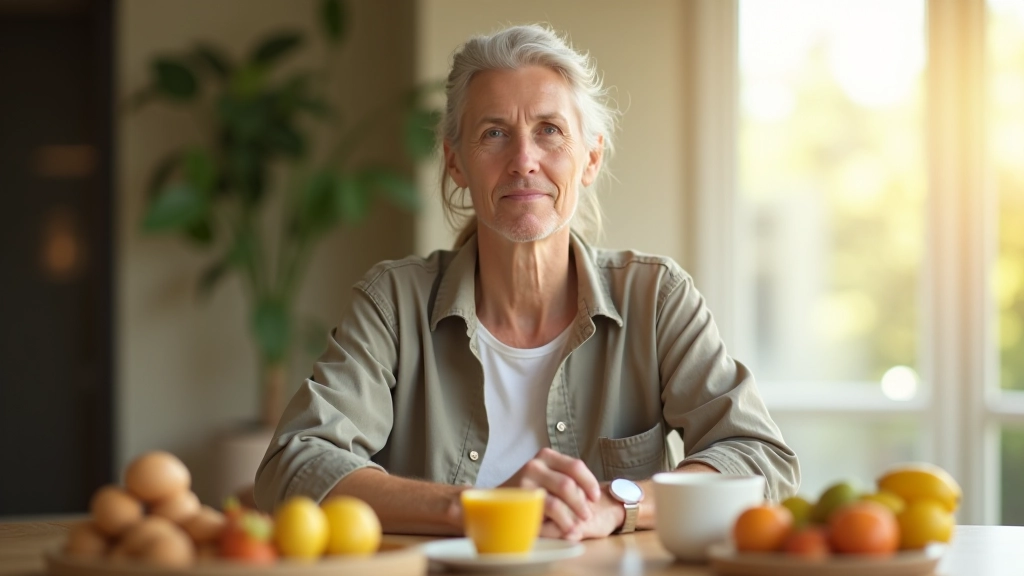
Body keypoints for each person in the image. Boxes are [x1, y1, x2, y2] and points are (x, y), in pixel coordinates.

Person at [254, 23, 799, 540]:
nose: (523, 161)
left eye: (549, 131)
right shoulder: (394, 303)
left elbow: (758, 457)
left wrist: (620, 504)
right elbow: (294, 464)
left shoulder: (656, 297)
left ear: (589, 158)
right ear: (456, 163)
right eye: (494, 133)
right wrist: (478, 508)